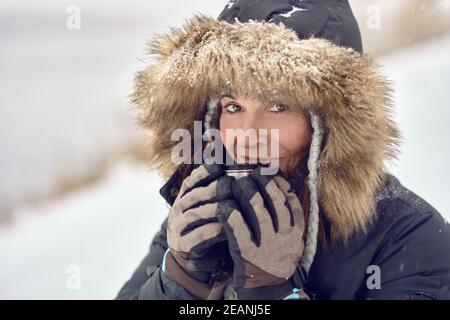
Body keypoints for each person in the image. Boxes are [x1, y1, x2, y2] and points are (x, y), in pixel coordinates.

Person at [116, 0, 450, 300]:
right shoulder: (201, 216)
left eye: (278, 107)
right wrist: (177, 282)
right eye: (233, 107)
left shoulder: (409, 238)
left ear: (330, 125)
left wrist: (274, 295)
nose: (247, 137)